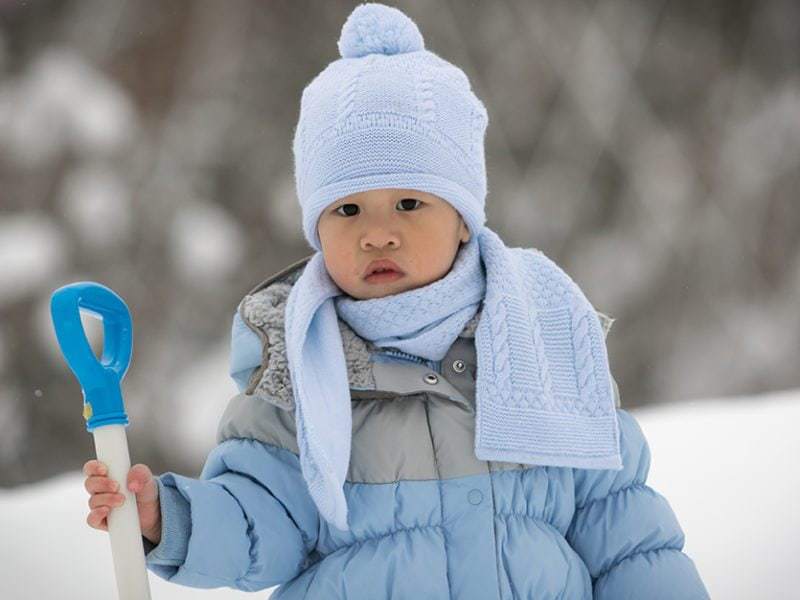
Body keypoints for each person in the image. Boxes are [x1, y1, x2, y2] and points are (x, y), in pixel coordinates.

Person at [84, 3, 710, 598]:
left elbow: (625, 533)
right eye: (347, 208)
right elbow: (260, 520)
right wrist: (172, 521)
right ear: (317, 228)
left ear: (463, 218)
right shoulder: (297, 372)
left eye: (409, 203)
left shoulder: (542, 343)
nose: (376, 231)